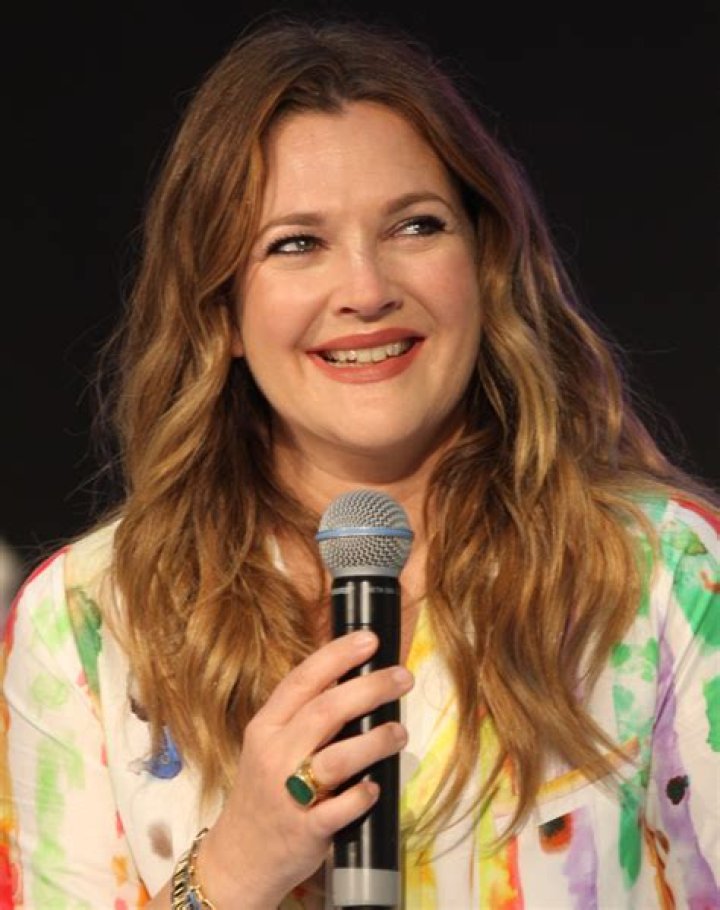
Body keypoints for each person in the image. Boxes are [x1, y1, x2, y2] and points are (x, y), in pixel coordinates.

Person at [1, 17, 717, 910]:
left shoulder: (660, 576)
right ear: (220, 310)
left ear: (485, 264)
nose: (368, 290)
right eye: (297, 243)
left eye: (415, 226)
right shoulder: (88, 622)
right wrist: (232, 873)